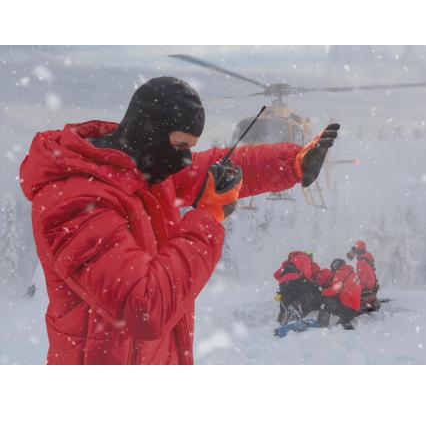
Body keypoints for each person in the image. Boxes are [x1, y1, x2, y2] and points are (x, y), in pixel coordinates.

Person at [19, 76, 339, 365]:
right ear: (149, 131)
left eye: (190, 147)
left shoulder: (145, 168)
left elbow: (217, 165)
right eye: (180, 145)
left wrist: (291, 163)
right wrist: (208, 217)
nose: (183, 159)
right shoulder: (73, 201)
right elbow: (145, 309)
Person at [273, 251, 331, 324]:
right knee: (311, 292)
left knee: (286, 300)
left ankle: (281, 317)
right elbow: (307, 273)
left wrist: (286, 279)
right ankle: (296, 307)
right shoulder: (304, 257)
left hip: (283, 283)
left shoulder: (288, 262)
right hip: (295, 279)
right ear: (309, 255)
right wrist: (313, 283)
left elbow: (276, 275)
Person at [317, 258, 362, 330]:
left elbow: (334, 290)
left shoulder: (340, 272)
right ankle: (344, 321)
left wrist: (323, 292)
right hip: (354, 310)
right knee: (335, 300)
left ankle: (321, 326)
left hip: (347, 307)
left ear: (335, 266)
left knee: (326, 303)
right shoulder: (353, 274)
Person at [346, 240, 379, 311]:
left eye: (356, 249)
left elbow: (363, 280)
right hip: (373, 285)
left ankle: (363, 302)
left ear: (358, 251)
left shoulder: (361, 262)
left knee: (349, 291)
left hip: (368, 287)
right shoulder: (367, 257)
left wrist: (353, 288)